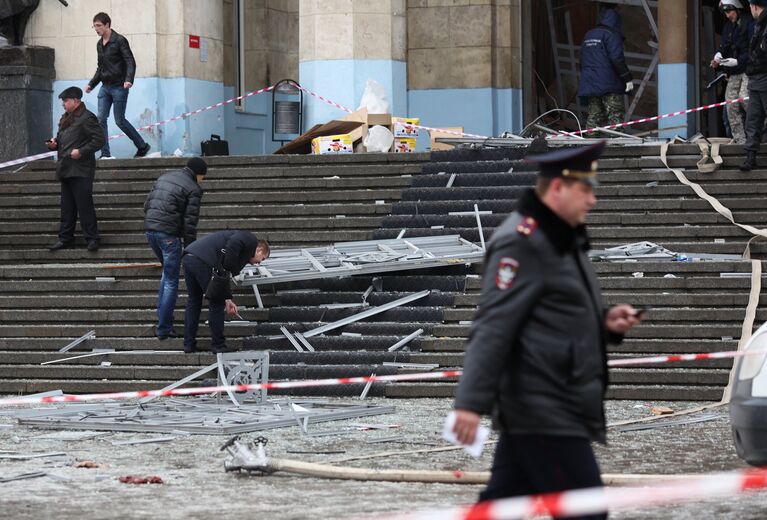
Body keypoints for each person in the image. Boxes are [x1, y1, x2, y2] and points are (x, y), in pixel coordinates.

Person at [451, 141, 642, 519]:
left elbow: (553, 315)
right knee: (587, 513)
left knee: (499, 508)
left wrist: (604, 322)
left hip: (551, 402)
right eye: (585, 190)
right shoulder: (522, 242)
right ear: (558, 189)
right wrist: (470, 403)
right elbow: (493, 326)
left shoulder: (560, 236)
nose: (593, 201)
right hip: (545, 407)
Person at [144, 157, 208, 341]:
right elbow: (190, 222)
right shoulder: (194, 188)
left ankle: (164, 320)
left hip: (150, 231)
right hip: (169, 235)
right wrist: (191, 248)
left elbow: (146, 205)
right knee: (171, 280)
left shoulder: (164, 177)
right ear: (199, 174)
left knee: (167, 275)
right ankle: (163, 328)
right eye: (203, 177)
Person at [182, 231, 270, 354]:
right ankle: (218, 345)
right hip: (203, 260)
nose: (259, 263)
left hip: (189, 257)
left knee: (194, 301)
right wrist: (236, 273)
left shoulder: (235, 248)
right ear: (259, 249)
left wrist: (228, 299)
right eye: (262, 258)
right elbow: (232, 250)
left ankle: (188, 344)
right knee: (216, 302)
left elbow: (222, 277)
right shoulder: (250, 239)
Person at [46, 86, 105, 252]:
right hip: (66, 168)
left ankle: (92, 239)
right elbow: (64, 140)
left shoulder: (87, 118)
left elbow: (99, 140)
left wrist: (82, 151)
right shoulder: (66, 118)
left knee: (84, 206)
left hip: (81, 170)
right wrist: (54, 144)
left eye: (65, 101)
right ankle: (65, 239)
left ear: (76, 100)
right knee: (67, 208)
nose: (63, 104)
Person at [84, 12, 150, 159]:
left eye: (99, 25)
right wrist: (92, 84)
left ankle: (142, 146)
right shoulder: (99, 44)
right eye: (94, 26)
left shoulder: (119, 40)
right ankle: (105, 153)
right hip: (104, 87)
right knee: (100, 119)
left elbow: (130, 61)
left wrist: (129, 79)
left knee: (120, 120)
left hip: (119, 86)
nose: (96, 29)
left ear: (107, 25)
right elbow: (100, 67)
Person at [577, 8, 634, 132]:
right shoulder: (611, 34)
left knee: (594, 114)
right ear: (616, 21)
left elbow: (581, 60)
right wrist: (627, 78)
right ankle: (616, 143)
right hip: (608, 82)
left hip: (590, 82)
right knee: (615, 114)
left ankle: (590, 143)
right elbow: (617, 58)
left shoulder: (589, 34)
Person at [712, 0, 752, 144]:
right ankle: (740, 141)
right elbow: (724, 46)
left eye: (729, 11)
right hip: (734, 72)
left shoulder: (749, 23)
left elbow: (753, 50)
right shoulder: (728, 27)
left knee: (745, 99)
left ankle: (757, 135)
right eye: (725, 12)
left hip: (749, 70)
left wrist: (738, 61)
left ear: (737, 8)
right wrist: (718, 57)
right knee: (730, 104)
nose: (728, 15)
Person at [742, 0, 767, 171]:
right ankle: (750, 157)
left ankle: (750, 157)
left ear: (754, 6)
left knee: (753, 121)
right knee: (752, 120)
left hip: (764, 79)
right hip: (756, 80)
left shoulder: (764, 24)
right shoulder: (759, 24)